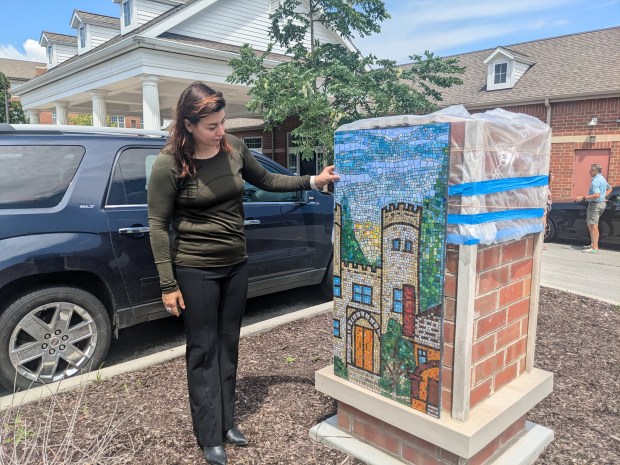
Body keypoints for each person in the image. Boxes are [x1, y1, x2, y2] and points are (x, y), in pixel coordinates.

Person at [147, 82, 339, 465]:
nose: (220, 132)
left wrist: (311, 181)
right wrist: (168, 284)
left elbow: (267, 180)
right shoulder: (169, 163)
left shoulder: (233, 147)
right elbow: (157, 224)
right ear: (188, 125)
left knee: (228, 344)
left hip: (236, 264)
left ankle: (227, 420)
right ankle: (208, 434)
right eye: (212, 126)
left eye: (222, 123)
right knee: (203, 351)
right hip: (196, 268)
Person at [574, 163, 612, 254]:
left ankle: (595, 248)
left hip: (595, 205)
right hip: (600, 204)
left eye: (591, 170)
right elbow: (609, 189)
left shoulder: (595, 181)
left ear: (595, 171)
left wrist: (583, 197)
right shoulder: (602, 178)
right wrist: (603, 197)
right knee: (591, 224)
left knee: (593, 226)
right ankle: (592, 244)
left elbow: (597, 195)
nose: (589, 172)